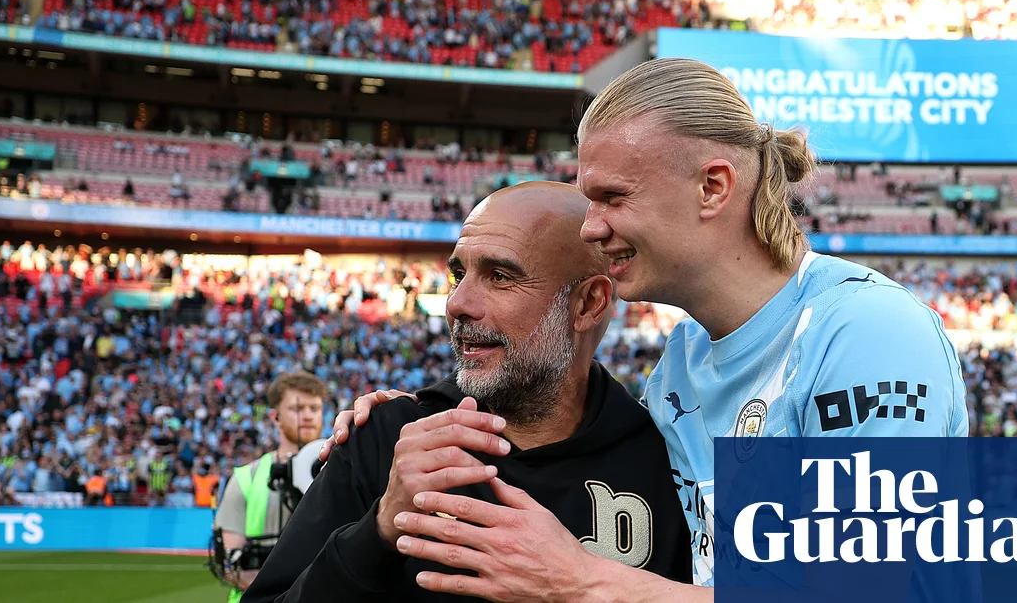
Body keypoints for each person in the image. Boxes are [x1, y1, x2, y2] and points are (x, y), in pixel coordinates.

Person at [324, 58, 969, 600]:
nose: (590, 226)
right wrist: (408, 412)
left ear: (713, 187)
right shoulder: (679, 369)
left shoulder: (865, 333)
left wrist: (581, 581)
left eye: (612, 197)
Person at [242, 181, 690, 602]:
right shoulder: (386, 438)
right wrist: (377, 531)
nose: (457, 304)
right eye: (459, 274)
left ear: (588, 303)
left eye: (500, 276)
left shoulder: (672, 458)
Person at [215, 371, 328, 603]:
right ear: (275, 417)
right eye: (297, 409)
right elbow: (232, 567)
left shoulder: (345, 473)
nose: (308, 416)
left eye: (314, 408)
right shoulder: (246, 478)